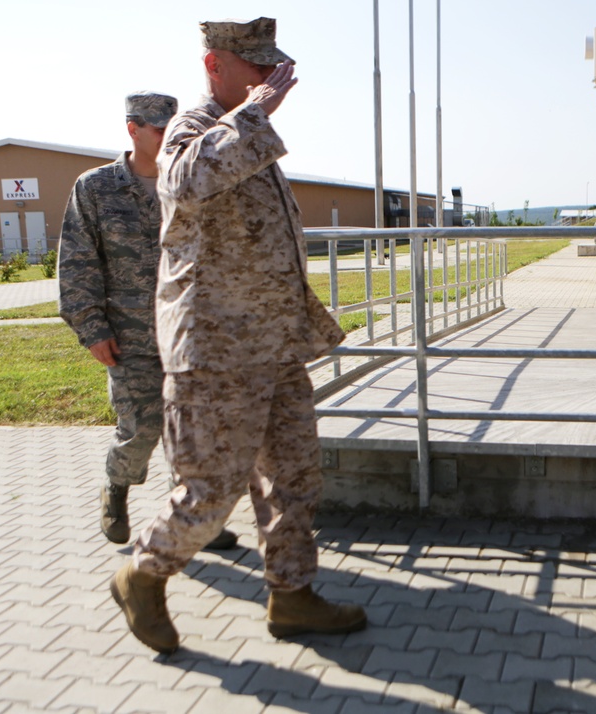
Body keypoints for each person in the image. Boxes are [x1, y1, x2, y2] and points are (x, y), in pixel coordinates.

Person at [109, 17, 366, 655]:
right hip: (215, 352)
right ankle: (143, 572)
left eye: (273, 66)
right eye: (257, 65)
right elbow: (183, 182)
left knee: (295, 479)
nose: (269, 77)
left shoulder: (244, 132)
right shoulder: (193, 129)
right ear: (215, 65)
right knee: (210, 490)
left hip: (274, 346)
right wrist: (254, 113)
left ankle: (292, 595)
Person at [58, 92, 238, 551]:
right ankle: (115, 487)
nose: (168, 137)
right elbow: (78, 263)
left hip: (190, 332)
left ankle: (192, 520)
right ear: (133, 130)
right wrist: (92, 329)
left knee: (193, 432)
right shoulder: (95, 188)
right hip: (129, 336)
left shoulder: (191, 184)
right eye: (159, 129)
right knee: (141, 429)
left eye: (173, 128)